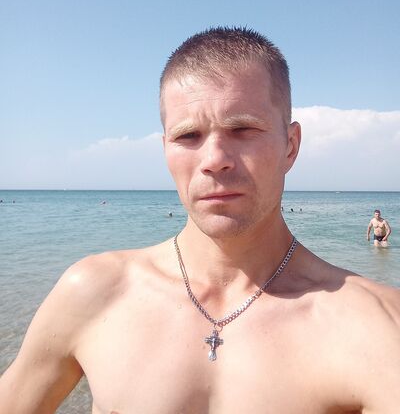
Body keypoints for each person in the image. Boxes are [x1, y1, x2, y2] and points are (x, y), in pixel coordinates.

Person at [1, 27, 400, 413]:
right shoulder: (94, 292)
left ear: (290, 146)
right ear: (165, 150)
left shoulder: (374, 326)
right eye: (188, 136)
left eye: (242, 129)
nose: (214, 160)